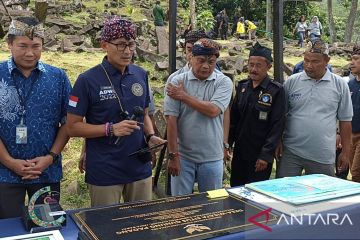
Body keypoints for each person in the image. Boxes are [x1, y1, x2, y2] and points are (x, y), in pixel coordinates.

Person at [66, 16, 166, 207]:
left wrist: (151, 135)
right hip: (105, 169)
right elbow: (72, 127)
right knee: (106, 227)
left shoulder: (140, 74)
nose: (127, 51)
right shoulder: (87, 80)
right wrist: (110, 129)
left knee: (141, 224)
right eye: (120, 45)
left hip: (139, 166)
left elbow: (144, 113)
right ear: (104, 45)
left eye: (131, 44)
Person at [0, 17, 71, 218]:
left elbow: (68, 122)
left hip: (45, 171)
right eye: (22, 46)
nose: (30, 53)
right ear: (10, 44)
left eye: (36, 46)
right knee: (6, 229)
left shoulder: (58, 77)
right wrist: (10, 162)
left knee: (46, 225)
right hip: (3, 172)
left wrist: (50, 157)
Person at [164, 38, 233, 196]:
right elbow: (172, 121)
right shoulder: (177, 81)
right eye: (201, 60)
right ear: (191, 58)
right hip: (183, 156)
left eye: (211, 62)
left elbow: (214, 110)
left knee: (213, 205)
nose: (206, 66)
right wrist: (173, 155)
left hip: (212, 157)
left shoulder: (223, 82)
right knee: (181, 205)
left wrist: (184, 96)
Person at [276, 39, 353, 178]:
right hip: (291, 152)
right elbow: (280, 115)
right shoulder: (292, 82)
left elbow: (345, 121)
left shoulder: (340, 85)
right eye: (306, 60)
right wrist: (278, 141)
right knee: (284, 194)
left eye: (315, 61)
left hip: (322, 154)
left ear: (327, 60)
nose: (309, 66)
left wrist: (346, 152)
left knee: (322, 196)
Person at [228, 42, 285, 186]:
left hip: (260, 154)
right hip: (240, 151)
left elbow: (277, 125)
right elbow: (234, 119)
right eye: (251, 64)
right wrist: (227, 144)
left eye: (258, 65)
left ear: (268, 67)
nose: (253, 69)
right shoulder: (242, 87)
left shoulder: (275, 91)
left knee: (256, 194)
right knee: (236, 189)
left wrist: (266, 156)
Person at [348, 45, 360, 182]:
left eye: (356, 59)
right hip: (350, 135)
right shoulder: (349, 84)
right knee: (353, 172)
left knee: (356, 173)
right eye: (352, 59)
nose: (352, 63)